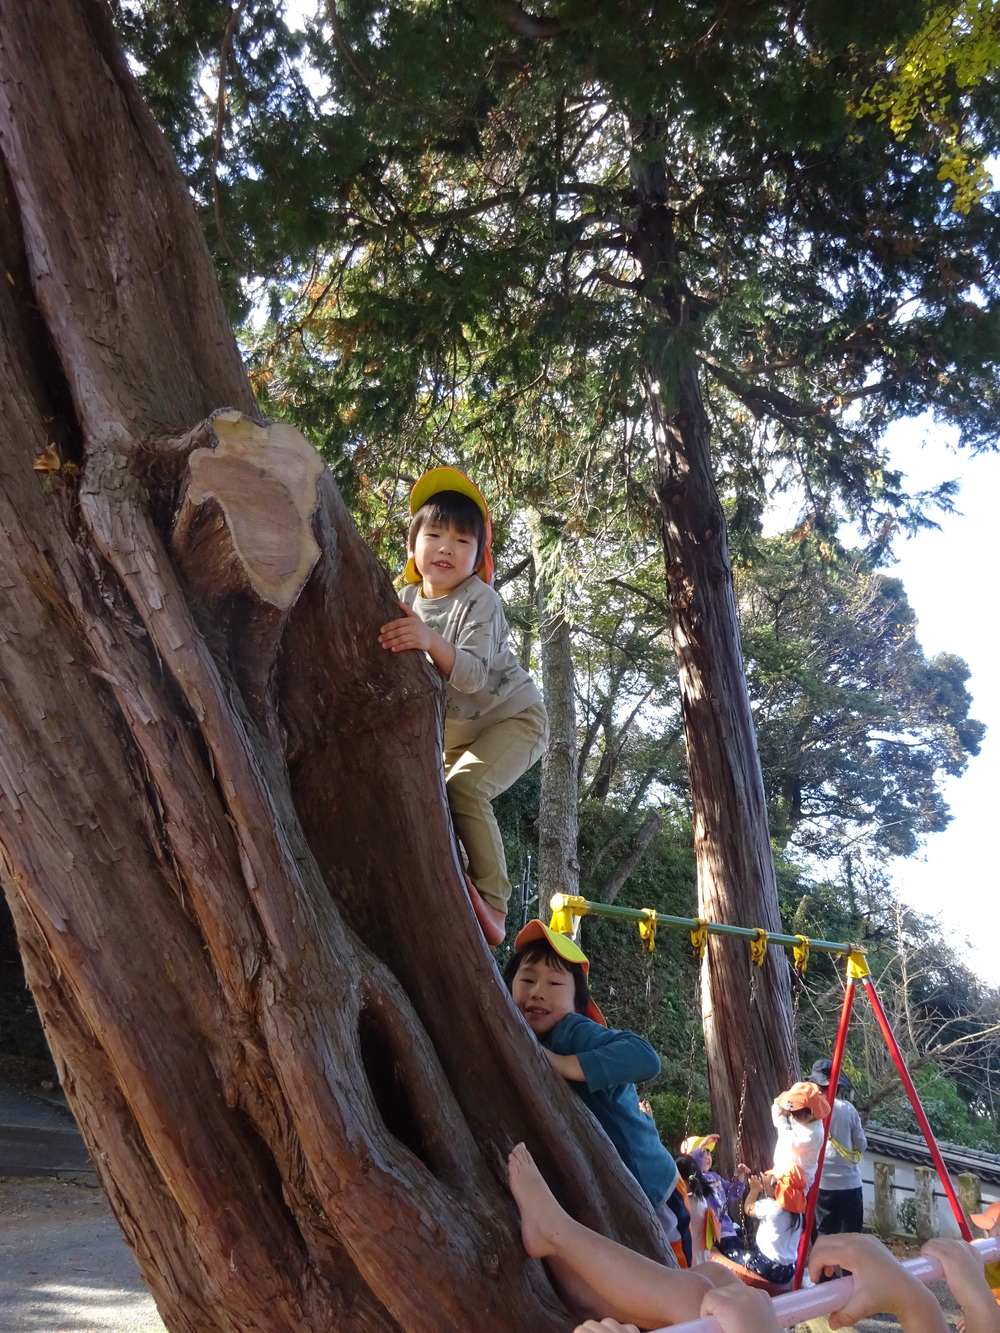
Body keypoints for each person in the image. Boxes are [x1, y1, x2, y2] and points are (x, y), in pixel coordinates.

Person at [378, 467, 547, 945]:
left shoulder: (481, 600)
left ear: (478, 559)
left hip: (515, 716)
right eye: (434, 534)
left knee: (466, 788)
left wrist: (428, 639)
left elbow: (472, 674)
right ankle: (455, 883)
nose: (446, 547)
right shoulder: (402, 599)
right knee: (431, 795)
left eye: (461, 539)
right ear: (413, 548)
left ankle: (495, 903)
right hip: (455, 733)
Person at [504, 920, 688, 1259]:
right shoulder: (522, 1039)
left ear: (577, 1002)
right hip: (607, 1193)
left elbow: (646, 1058)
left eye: (554, 983)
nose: (537, 991)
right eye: (527, 980)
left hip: (652, 1190)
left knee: (670, 1270)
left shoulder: (572, 1032)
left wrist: (560, 1064)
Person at [807, 1058, 867, 1236]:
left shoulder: (808, 1111)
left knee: (824, 1237)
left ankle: (824, 1265)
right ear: (838, 1086)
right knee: (851, 1238)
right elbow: (861, 1145)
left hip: (821, 1183)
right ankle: (848, 1265)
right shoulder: (847, 1109)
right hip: (850, 1183)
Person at [679, 1133, 746, 1259]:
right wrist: (702, 1145)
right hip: (714, 1233)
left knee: (744, 1246)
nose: (706, 1156)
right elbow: (693, 1168)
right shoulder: (694, 1180)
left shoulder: (715, 1177)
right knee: (735, 1256)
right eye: (702, 1152)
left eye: (708, 1152)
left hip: (728, 1228)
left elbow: (734, 1193)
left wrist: (740, 1176)